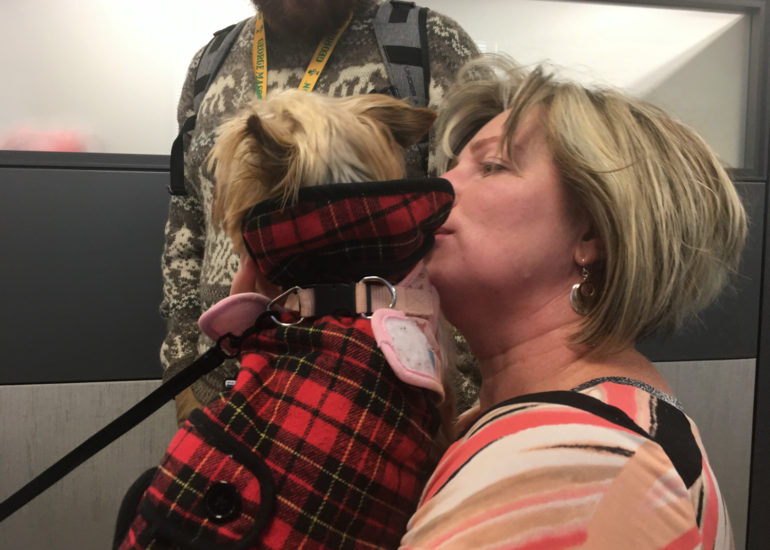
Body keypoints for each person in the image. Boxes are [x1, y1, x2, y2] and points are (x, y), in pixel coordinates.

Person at [400, 56, 743, 548]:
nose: (437, 189)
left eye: (492, 166)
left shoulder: (574, 460)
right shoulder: (586, 429)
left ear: (591, 233)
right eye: (453, 168)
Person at [161, 0, 480, 426]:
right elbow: (186, 228)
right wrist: (183, 372)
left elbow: (477, 233)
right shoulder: (210, 64)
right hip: (222, 384)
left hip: (381, 400)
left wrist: (456, 403)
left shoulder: (426, 45)